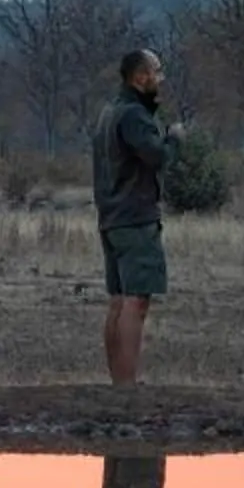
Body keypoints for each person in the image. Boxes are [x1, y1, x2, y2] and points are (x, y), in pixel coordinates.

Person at [89, 48, 182, 386]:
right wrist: (174, 139)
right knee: (136, 301)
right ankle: (127, 385)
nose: (161, 78)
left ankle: (119, 383)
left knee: (118, 299)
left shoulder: (109, 111)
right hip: (135, 217)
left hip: (111, 216)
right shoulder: (133, 115)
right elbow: (156, 156)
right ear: (141, 76)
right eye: (157, 71)